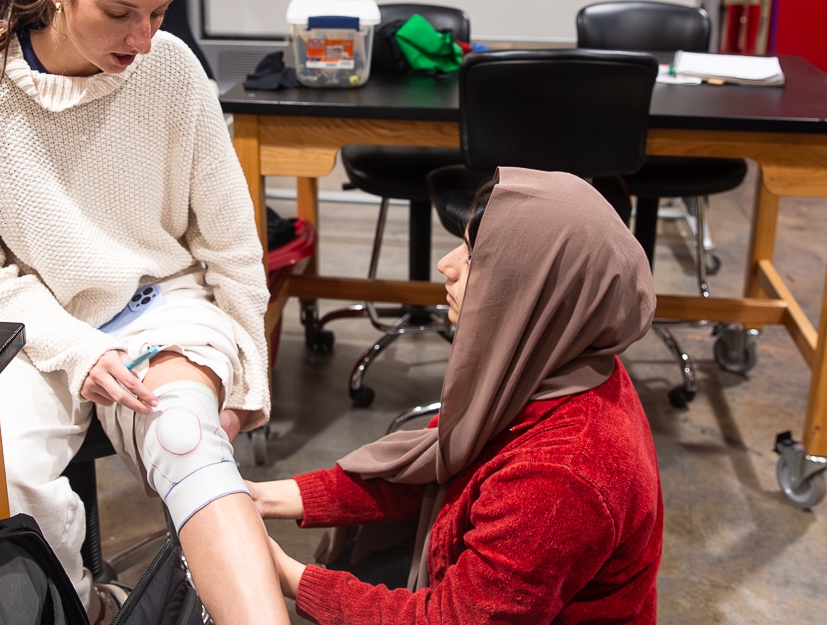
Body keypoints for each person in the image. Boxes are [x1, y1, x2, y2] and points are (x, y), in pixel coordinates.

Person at [0, 0, 289, 625]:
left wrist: (247, 367)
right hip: (30, 328)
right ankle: (89, 610)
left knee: (186, 435)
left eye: (157, 14)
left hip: (158, 304)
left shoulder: (172, 69)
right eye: (119, 13)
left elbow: (229, 241)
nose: (142, 38)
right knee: (5, 477)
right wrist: (74, 350)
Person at [248, 168, 665, 624]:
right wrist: (266, 498)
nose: (447, 264)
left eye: (475, 257)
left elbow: (448, 620)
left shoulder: (560, 480)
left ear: (533, 294)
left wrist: (282, 573)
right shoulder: (557, 359)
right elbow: (434, 468)